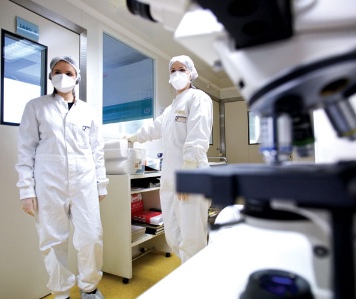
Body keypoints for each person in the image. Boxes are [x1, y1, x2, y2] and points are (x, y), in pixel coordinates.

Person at [15, 56, 108, 299]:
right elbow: (25, 149)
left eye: (69, 72)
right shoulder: (35, 107)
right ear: (50, 75)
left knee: (91, 237)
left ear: (77, 77)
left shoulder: (88, 111)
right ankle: (61, 294)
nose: (63, 76)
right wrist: (26, 189)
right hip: (48, 182)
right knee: (53, 241)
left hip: (84, 182)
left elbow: (97, 151)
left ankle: (89, 288)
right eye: (58, 71)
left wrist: (101, 184)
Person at [126, 55, 213, 263]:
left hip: (190, 176)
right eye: (172, 70)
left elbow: (198, 138)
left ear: (190, 73)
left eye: (181, 69)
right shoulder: (170, 109)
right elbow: (154, 128)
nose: (176, 74)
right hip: (169, 179)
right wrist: (132, 137)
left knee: (192, 237)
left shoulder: (198, 98)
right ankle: (188, 277)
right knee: (173, 234)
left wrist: (187, 175)